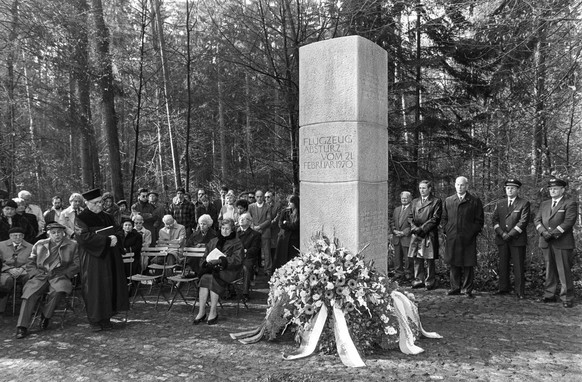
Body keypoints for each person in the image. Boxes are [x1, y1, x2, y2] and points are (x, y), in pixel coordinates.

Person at [75, 188, 129, 331]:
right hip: (93, 258)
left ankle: (106, 318)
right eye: (96, 203)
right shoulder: (81, 218)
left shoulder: (108, 216)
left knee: (109, 286)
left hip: (110, 257)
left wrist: (116, 238)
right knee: (95, 288)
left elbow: (118, 230)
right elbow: (83, 237)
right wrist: (106, 241)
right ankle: (94, 320)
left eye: (101, 202)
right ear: (87, 203)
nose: (100, 205)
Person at [15, 222, 80, 339]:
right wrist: (35, 273)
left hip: (59, 275)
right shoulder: (39, 244)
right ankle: (22, 326)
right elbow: (30, 262)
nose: (57, 235)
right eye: (53, 233)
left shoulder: (72, 245)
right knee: (29, 295)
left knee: (57, 292)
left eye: (59, 232)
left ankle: (46, 316)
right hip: (40, 275)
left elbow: (77, 264)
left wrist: (65, 273)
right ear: (48, 233)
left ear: (64, 233)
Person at [534, 178, 577, 308]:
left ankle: (567, 297)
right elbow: (537, 220)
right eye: (551, 189)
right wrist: (543, 232)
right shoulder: (545, 204)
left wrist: (553, 234)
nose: (552, 191)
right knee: (549, 269)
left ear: (562, 190)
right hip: (546, 241)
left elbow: (569, 221)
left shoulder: (569, 203)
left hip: (562, 242)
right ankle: (549, 295)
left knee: (563, 270)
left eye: (555, 188)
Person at [193, 218, 243, 325]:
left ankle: (213, 311)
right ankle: (201, 311)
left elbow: (238, 260)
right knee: (205, 277)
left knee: (211, 278)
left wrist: (222, 260)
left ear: (232, 230)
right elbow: (204, 257)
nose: (224, 231)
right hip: (213, 269)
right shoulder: (213, 241)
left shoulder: (237, 242)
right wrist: (206, 263)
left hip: (229, 270)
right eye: (223, 228)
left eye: (227, 229)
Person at [441, 176, 484, 298]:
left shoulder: (474, 201)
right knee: (453, 263)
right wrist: (447, 230)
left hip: (468, 238)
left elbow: (479, 220)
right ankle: (454, 287)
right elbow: (444, 218)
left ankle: (467, 288)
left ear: (467, 186)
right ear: (455, 185)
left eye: (463, 185)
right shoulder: (449, 200)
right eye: (458, 185)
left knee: (468, 263)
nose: (460, 187)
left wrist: (471, 232)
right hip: (452, 237)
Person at [491, 178, 530, 299]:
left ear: (518, 190)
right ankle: (503, 288)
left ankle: (519, 291)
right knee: (503, 264)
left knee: (518, 266)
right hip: (502, 238)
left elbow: (523, 222)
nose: (510, 190)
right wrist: (501, 233)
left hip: (517, 239)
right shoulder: (500, 203)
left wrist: (510, 234)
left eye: (513, 188)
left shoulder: (524, 203)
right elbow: (494, 220)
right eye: (508, 188)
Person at [408, 181, 442, 290]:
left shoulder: (436, 201)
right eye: (420, 188)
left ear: (430, 189)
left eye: (424, 188)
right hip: (416, 233)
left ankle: (430, 280)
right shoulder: (414, 202)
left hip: (428, 233)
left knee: (429, 258)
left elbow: (435, 219)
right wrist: (414, 228)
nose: (422, 190)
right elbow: (409, 217)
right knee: (417, 257)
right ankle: (418, 279)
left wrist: (422, 229)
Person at [0, 227, 33, 314]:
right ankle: (2, 308)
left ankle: (26, 308)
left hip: (23, 271)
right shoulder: (1, 245)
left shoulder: (30, 247)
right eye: (15, 235)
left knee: (30, 280)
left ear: (23, 236)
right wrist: (9, 269)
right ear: (10, 236)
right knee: (6, 281)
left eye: (20, 235)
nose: (18, 237)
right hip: (6, 271)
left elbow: (32, 261)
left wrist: (22, 269)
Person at [236, 212, 261, 301]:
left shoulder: (255, 234)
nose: (241, 220)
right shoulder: (235, 233)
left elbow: (255, 249)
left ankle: (245, 293)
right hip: (235, 257)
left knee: (246, 267)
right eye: (240, 218)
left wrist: (245, 251)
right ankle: (227, 291)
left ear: (250, 222)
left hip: (247, 257)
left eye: (244, 218)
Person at [273, 195, 300, 272]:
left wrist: (286, 223)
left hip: (293, 239)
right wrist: (288, 224)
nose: (289, 204)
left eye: (290, 202)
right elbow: (280, 224)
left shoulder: (299, 213)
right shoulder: (285, 211)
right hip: (283, 238)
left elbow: (295, 226)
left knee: (291, 258)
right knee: (281, 258)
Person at [248, 190, 272, 276]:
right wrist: (253, 227)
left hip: (265, 232)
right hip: (254, 232)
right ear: (255, 197)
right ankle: (255, 269)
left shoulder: (268, 207)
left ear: (263, 197)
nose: (259, 198)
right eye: (257, 197)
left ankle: (268, 270)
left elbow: (269, 220)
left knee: (266, 252)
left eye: (261, 196)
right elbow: (249, 218)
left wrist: (260, 227)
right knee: (254, 251)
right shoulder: (251, 206)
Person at [390, 191, 413, 281]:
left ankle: (408, 274)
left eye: (406, 198)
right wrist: (394, 230)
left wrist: (404, 232)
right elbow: (392, 221)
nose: (403, 199)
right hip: (397, 237)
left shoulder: (412, 209)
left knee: (408, 258)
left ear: (410, 199)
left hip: (406, 237)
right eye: (402, 198)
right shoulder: (397, 209)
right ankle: (398, 273)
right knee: (397, 257)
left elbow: (413, 223)